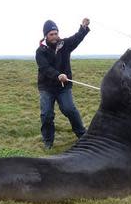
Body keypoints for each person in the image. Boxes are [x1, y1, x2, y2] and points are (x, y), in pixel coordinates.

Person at [35, 18, 90, 149]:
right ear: (46, 36)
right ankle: (48, 141)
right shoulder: (40, 51)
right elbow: (44, 68)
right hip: (46, 87)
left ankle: (83, 135)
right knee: (47, 114)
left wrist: (83, 27)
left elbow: (77, 38)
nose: (54, 36)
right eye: (51, 34)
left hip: (63, 87)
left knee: (69, 109)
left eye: (56, 33)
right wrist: (57, 75)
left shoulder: (64, 44)